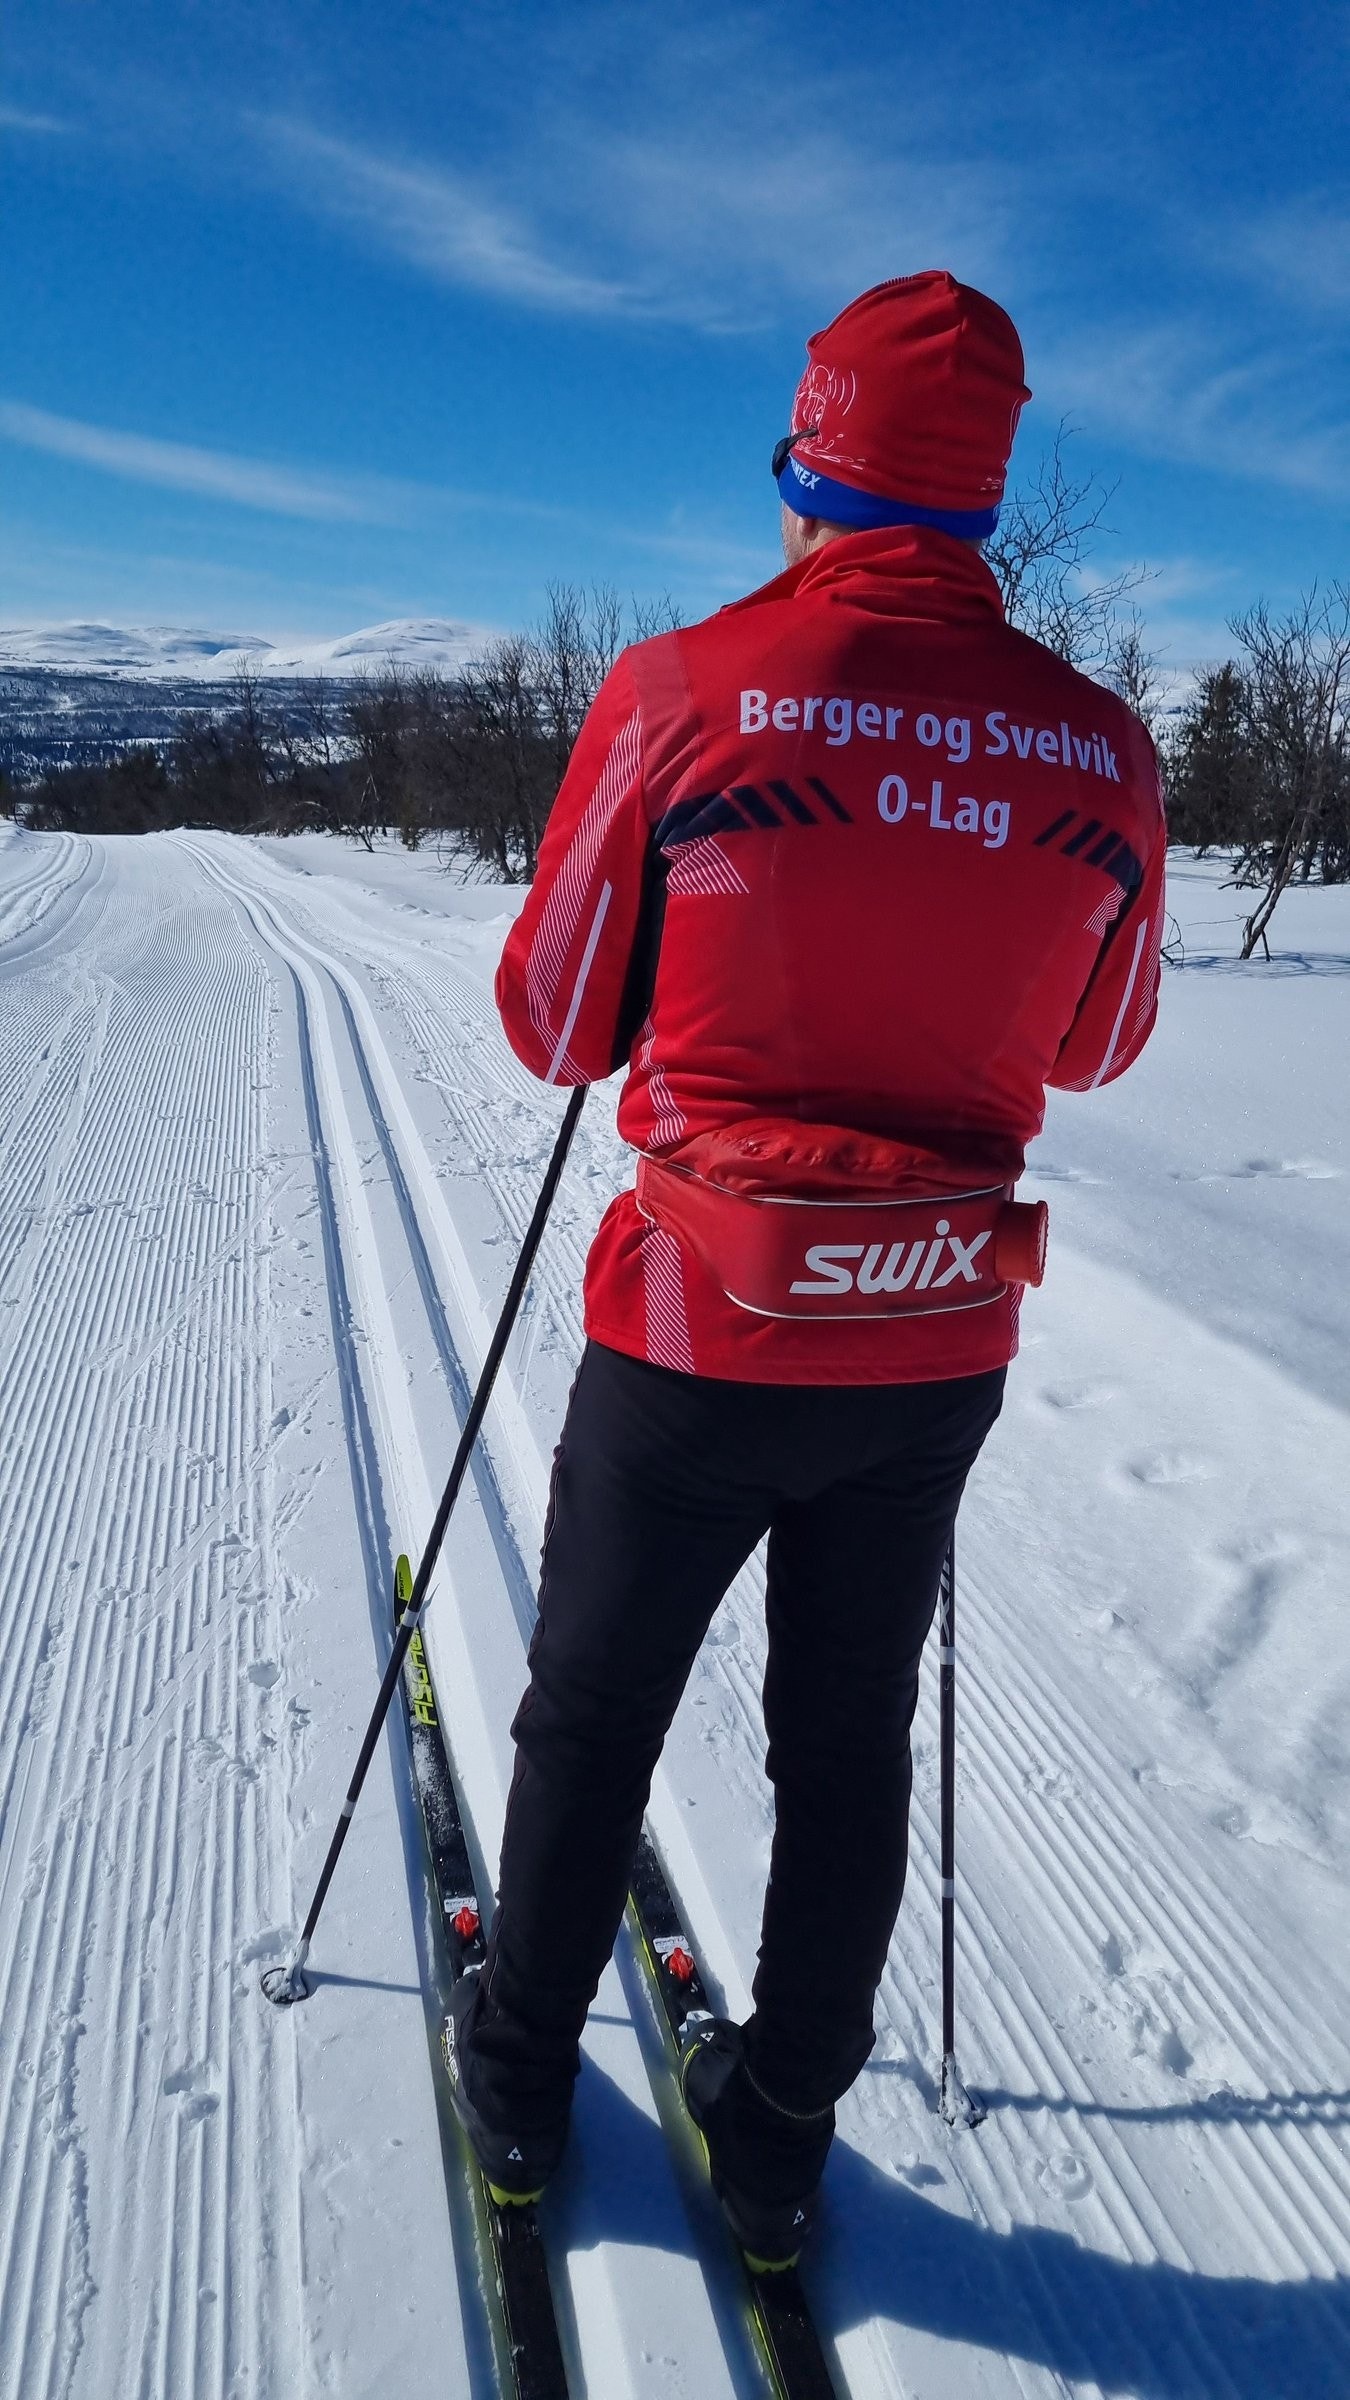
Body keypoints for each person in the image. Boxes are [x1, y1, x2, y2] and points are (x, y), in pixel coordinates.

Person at [446, 269, 1167, 2268]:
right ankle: (777, 2137)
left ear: (811, 472)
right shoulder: (1101, 747)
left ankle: (516, 2093)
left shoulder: (686, 689)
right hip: (932, 1338)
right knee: (843, 1743)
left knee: (595, 1714)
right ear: (983, 503)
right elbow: (1101, 1044)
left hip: (697, 1326)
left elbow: (555, 1016)